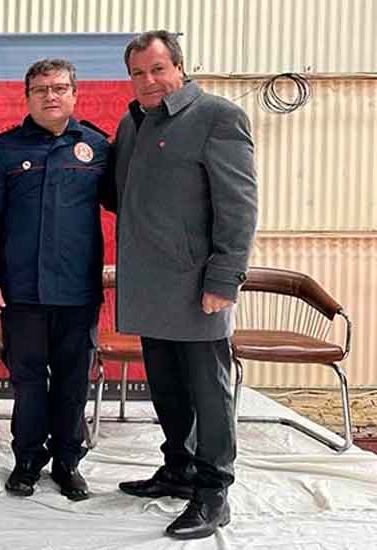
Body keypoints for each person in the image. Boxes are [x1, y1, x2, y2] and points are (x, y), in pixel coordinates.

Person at [110, 30, 258, 540]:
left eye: (156, 70)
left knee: (209, 393)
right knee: (167, 388)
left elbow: (238, 208)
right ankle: (179, 468)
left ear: (179, 67)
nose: (148, 81)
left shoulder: (218, 117)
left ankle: (214, 491)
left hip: (199, 288)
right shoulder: (133, 124)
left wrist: (224, 278)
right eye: (137, 73)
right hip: (149, 287)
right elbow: (117, 194)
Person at [0, 59, 112, 501]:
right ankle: (27, 460)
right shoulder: (4, 149)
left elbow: (132, 206)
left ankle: (68, 462)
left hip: (78, 290)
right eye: (40, 90)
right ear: (27, 97)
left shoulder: (99, 147)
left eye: (59, 88)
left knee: (73, 382)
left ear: (75, 93)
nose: (51, 96)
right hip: (23, 291)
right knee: (28, 381)